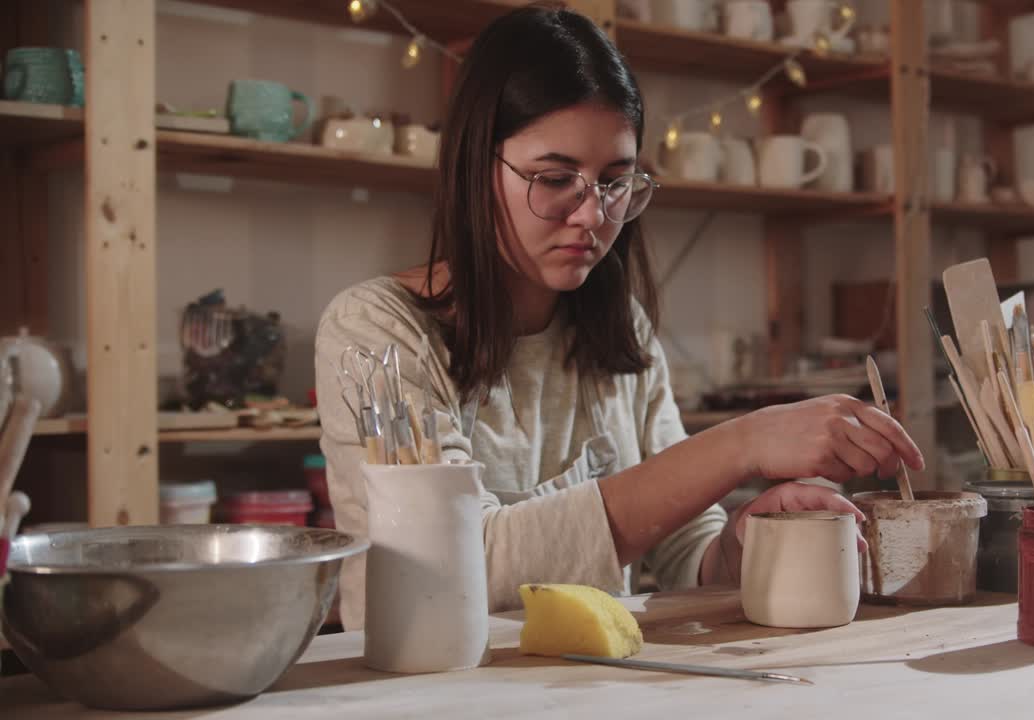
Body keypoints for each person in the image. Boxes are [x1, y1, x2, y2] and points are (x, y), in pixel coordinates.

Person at [315, 5, 924, 630]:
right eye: (555, 178)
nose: (591, 215)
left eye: (615, 182)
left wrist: (744, 543)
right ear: (477, 165)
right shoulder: (376, 333)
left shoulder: (619, 330)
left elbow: (687, 557)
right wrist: (742, 443)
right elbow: (456, 565)